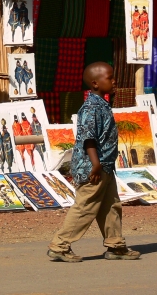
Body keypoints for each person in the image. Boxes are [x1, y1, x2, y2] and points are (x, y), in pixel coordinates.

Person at [48, 62, 140, 262]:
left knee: (111, 205)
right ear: (95, 83)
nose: (114, 81)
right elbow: (88, 139)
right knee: (85, 207)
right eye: (110, 78)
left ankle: (115, 246)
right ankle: (60, 246)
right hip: (93, 168)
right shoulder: (91, 108)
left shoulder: (102, 105)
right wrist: (96, 164)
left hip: (104, 166)